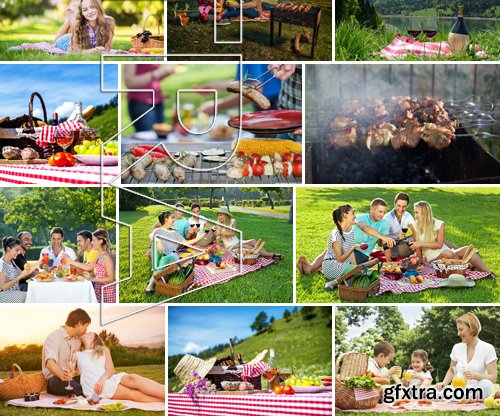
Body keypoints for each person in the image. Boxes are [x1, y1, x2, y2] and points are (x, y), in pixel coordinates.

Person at [77, 332, 164, 402]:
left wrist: (102, 379)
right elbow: (72, 371)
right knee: (132, 393)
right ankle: (164, 401)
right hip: (94, 385)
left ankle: (164, 393)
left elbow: (111, 370)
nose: (86, 333)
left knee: (133, 377)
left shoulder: (103, 350)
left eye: (89, 333)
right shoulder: (77, 354)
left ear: (95, 339)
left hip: (106, 378)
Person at [409, 201, 492, 274]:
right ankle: (468, 267)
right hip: (434, 259)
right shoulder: (415, 226)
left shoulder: (439, 224)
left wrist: (421, 243)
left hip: (448, 252)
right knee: (448, 254)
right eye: (414, 212)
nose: (415, 215)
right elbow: (418, 248)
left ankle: (490, 273)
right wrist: (419, 261)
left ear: (424, 212)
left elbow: (439, 245)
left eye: (417, 212)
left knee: (467, 249)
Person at [297, 205, 362, 291]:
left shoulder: (350, 231)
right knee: (365, 273)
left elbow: (351, 254)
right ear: (345, 215)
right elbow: (340, 259)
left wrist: (355, 267)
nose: (355, 216)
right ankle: (339, 280)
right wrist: (354, 247)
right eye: (353, 213)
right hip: (332, 266)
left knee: (361, 272)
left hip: (340, 264)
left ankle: (310, 268)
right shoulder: (336, 234)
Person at [436, 313, 497, 399]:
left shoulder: (487, 348)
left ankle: (458, 397)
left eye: (461, 329)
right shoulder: (457, 347)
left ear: (472, 328)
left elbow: (493, 378)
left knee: (487, 385)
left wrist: (475, 376)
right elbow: (452, 369)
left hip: (477, 388)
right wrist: (444, 383)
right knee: (433, 392)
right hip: (458, 388)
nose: (458, 333)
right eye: (458, 330)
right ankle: (461, 397)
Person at [146, 211, 207, 294]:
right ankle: (157, 277)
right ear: (166, 219)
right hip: (161, 255)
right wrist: (158, 241)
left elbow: (186, 242)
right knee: (155, 245)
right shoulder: (158, 230)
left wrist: (200, 237)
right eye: (172, 218)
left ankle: (151, 282)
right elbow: (151, 236)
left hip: (172, 256)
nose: (174, 220)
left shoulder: (175, 232)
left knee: (165, 258)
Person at [42, 308, 91, 396]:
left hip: (72, 378)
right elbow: (49, 363)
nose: (86, 329)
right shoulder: (54, 337)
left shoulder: (77, 339)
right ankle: (89, 395)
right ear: (79, 323)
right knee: (60, 382)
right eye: (86, 325)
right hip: (56, 380)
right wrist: (62, 375)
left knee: (90, 378)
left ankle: (82, 392)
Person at [63, 229, 115, 303]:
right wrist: (70, 261)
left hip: (107, 293)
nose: (92, 242)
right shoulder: (99, 256)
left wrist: (92, 278)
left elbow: (111, 279)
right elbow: (88, 267)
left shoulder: (107, 257)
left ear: (100, 242)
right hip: (99, 291)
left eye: (93, 240)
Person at [214, 207, 283, 260]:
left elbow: (233, 233)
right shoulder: (218, 225)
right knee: (247, 247)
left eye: (221, 215)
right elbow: (218, 240)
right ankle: (271, 255)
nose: (219, 217)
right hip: (230, 246)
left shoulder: (232, 221)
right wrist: (218, 236)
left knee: (253, 241)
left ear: (226, 215)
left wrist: (221, 232)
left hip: (238, 241)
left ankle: (266, 255)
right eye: (218, 215)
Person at [124, 65, 175, 132]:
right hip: (141, 103)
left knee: (160, 135)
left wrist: (165, 73)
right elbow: (129, 82)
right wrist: (157, 73)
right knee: (148, 139)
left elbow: (153, 79)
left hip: (158, 101)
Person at [354, 199, 396, 264]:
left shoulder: (384, 223)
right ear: (372, 210)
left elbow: (385, 245)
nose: (382, 215)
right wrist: (383, 237)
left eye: (384, 212)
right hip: (349, 249)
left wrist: (389, 263)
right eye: (380, 211)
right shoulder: (360, 217)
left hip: (362, 254)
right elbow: (363, 227)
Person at [0, 237, 42, 303]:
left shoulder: (12, 262)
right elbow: (3, 287)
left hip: (16, 293)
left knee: (35, 293)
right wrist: (19, 277)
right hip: (5, 297)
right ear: (8, 249)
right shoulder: (2, 264)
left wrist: (39, 262)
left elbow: (24, 273)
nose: (19, 253)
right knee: (33, 295)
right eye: (17, 250)